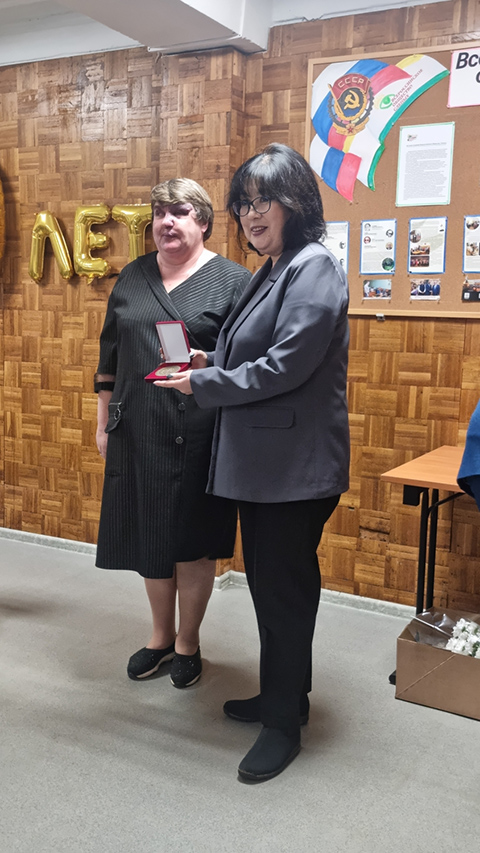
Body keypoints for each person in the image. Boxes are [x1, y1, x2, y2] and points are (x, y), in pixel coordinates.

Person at [154, 144, 350, 782]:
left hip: (294, 470)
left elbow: (286, 366)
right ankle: (285, 697)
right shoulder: (275, 266)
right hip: (268, 467)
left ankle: (283, 727)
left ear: (296, 202)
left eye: (264, 201)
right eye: (243, 204)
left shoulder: (314, 267)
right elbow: (252, 350)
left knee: (282, 593)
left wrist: (204, 384)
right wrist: (209, 362)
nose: (251, 214)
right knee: (274, 589)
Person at [94, 178, 250, 688]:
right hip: (137, 427)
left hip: (199, 431)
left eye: (179, 212)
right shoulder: (133, 276)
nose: (167, 222)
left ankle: (188, 642)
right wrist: (103, 423)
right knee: (151, 534)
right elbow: (110, 356)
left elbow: (245, 359)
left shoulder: (232, 281)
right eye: (160, 212)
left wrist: (208, 364)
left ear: (202, 221)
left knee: (192, 543)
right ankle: (160, 636)